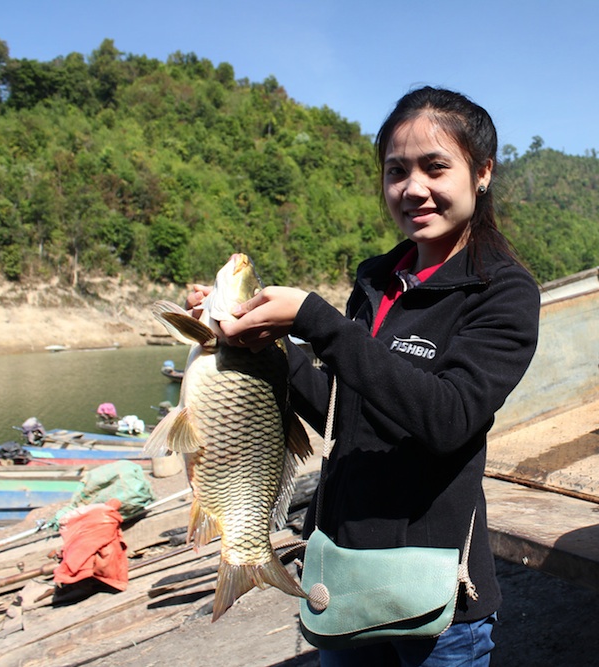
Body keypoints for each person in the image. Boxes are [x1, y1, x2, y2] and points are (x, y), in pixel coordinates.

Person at [187, 86, 541, 666]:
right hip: (346, 571)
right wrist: (263, 346)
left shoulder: (502, 291)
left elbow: (448, 419)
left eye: (435, 167)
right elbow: (342, 411)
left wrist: (316, 321)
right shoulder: (377, 281)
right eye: (396, 171)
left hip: (436, 597)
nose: (414, 189)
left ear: (482, 173)